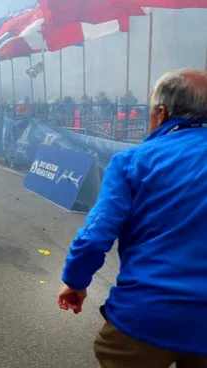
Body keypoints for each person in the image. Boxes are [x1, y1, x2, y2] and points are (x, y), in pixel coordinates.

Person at [57, 69, 207, 367]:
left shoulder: (133, 161)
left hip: (145, 317)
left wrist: (74, 281)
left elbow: (94, 236)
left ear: (161, 113)